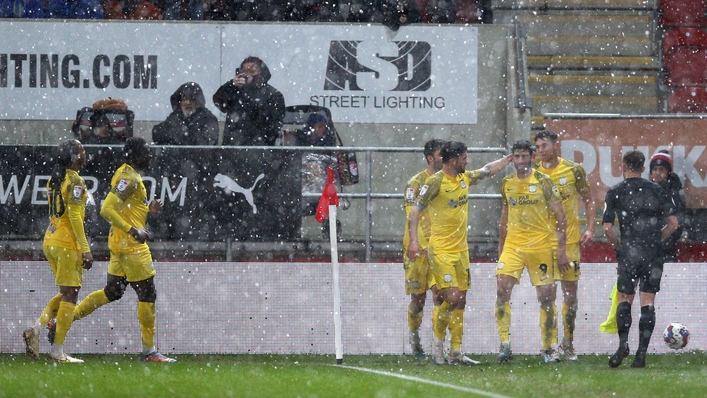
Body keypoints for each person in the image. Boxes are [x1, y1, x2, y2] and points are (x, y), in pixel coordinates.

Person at [51, 137, 176, 363]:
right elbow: (106, 209)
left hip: (119, 243)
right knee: (148, 294)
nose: (149, 155)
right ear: (134, 154)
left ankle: (60, 321)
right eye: (146, 152)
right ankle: (149, 352)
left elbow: (125, 208)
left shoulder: (126, 173)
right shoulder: (128, 177)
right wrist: (133, 230)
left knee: (113, 291)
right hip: (131, 247)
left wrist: (149, 209)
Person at [407, 141, 511, 365]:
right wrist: (414, 241)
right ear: (453, 161)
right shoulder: (435, 182)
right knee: (450, 297)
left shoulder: (463, 178)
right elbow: (414, 211)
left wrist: (506, 160)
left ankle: (455, 351)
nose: (468, 161)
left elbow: (486, 171)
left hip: (461, 250)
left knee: (460, 300)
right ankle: (437, 344)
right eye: (464, 158)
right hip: (441, 250)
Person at [496, 139, 569, 364]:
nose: (520, 161)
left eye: (524, 156)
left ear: (532, 157)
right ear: (513, 159)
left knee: (546, 297)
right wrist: (501, 249)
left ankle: (548, 348)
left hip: (540, 246)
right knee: (501, 290)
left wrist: (562, 250)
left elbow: (561, 217)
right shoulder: (506, 183)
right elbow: (504, 218)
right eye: (516, 157)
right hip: (513, 246)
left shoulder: (544, 181)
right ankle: (505, 344)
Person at [603, 150, 678, 368]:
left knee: (625, 298)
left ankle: (623, 343)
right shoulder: (657, 190)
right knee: (648, 301)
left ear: (623, 167)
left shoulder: (615, 192)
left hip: (629, 251)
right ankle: (641, 355)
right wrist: (656, 238)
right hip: (652, 252)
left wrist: (619, 245)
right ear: (644, 168)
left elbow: (607, 228)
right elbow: (673, 224)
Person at [23, 139, 93, 363]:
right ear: (75, 157)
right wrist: (85, 249)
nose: (85, 152)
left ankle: (36, 328)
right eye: (82, 150)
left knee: (66, 293)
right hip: (66, 244)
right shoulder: (75, 181)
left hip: (50, 240)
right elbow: (74, 217)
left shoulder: (54, 179)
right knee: (71, 294)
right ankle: (56, 351)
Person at [534, 130, 596, 361]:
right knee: (546, 295)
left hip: (569, 243)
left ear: (555, 145)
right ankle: (548, 346)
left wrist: (590, 228)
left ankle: (567, 344)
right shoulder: (533, 173)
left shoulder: (573, 170)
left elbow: (589, 199)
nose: (540, 150)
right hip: (542, 242)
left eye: (544, 145)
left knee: (570, 296)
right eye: (538, 147)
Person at [402, 138, 445, 360]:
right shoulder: (416, 183)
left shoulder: (447, 180)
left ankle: (438, 347)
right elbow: (412, 215)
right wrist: (417, 243)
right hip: (417, 249)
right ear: (431, 158)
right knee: (418, 300)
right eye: (441, 154)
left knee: (440, 295)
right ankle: (414, 337)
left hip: (439, 247)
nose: (445, 158)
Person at [213, 56, 285, 146]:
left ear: (261, 73)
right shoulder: (235, 91)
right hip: (232, 148)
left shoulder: (273, 95)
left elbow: (276, 124)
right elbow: (218, 101)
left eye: (252, 72)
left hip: (260, 149)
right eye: (245, 72)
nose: (248, 75)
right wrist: (231, 85)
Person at [152, 82, 219, 145]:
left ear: (198, 102)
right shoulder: (175, 116)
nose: (188, 103)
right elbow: (157, 132)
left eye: (191, 99)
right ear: (180, 103)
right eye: (184, 99)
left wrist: (180, 134)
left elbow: (204, 142)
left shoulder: (208, 118)